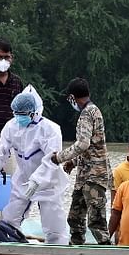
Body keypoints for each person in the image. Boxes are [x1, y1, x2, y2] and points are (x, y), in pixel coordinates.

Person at [0, 86, 70, 245]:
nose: (19, 118)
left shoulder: (50, 129)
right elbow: (0, 150)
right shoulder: (11, 126)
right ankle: (14, 248)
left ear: (34, 112)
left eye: (23, 114)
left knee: (54, 224)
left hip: (48, 181)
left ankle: (58, 251)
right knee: (10, 217)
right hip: (23, 178)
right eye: (17, 114)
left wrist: (37, 180)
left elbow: (51, 159)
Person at [52, 77, 112, 245]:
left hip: (94, 176)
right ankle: (76, 248)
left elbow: (83, 144)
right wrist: (74, 162)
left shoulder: (87, 114)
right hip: (84, 176)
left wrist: (59, 157)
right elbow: (93, 145)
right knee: (75, 218)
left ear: (72, 97)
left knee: (96, 221)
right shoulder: (93, 111)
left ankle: (107, 254)